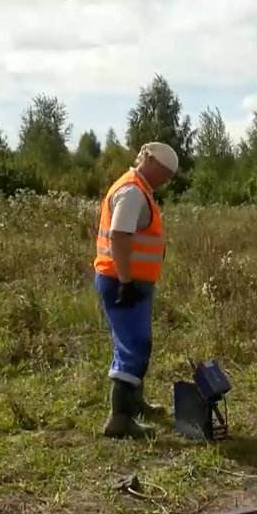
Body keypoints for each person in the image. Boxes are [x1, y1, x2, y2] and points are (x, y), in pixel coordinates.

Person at [92, 142, 179, 439]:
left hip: (126, 280)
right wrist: (127, 282)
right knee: (135, 347)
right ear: (149, 160)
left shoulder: (139, 188)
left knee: (130, 342)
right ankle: (120, 419)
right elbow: (119, 235)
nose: (165, 179)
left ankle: (134, 402)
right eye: (164, 173)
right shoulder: (132, 191)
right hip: (122, 282)